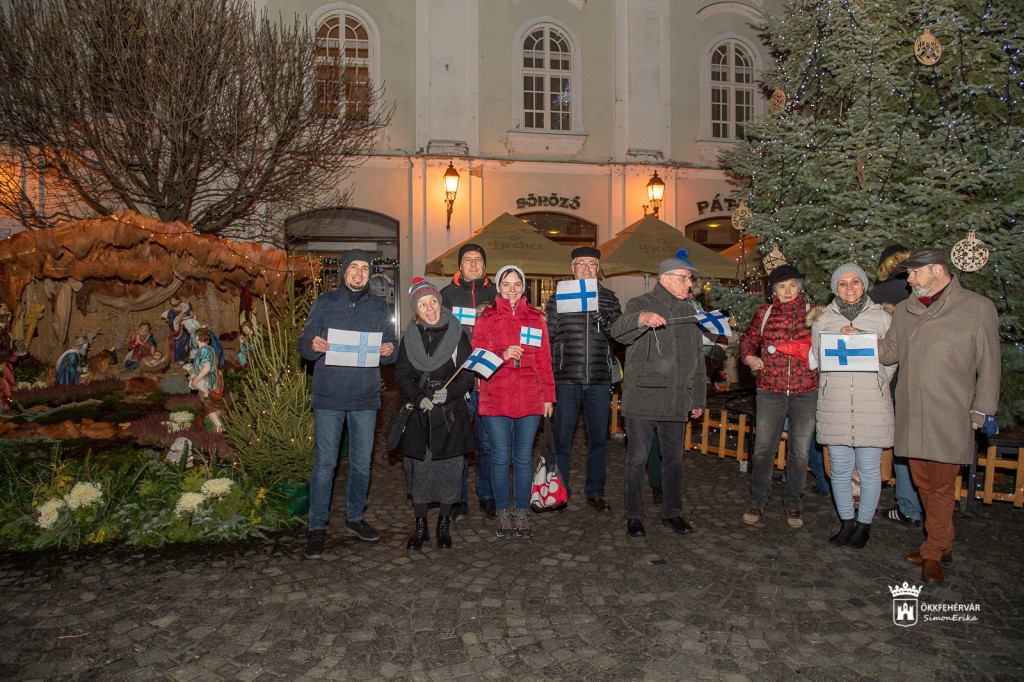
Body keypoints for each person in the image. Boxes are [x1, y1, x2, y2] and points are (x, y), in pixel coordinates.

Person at [878, 246, 1000, 584]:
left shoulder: (976, 307)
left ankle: (932, 551)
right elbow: (891, 352)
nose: (910, 279)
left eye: (915, 272)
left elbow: (989, 364)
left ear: (936, 269)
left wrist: (982, 410)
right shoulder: (906, 309)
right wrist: (860, 342)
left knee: (942, 486)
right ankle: (943, 543)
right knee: (923, 483)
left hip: (951, 412)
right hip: (912, 412)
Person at [298, 249, 398, 559]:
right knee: (325, 464)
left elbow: (393, 347)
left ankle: (355, 518)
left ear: (369, 274)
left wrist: (389, 349)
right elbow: (304, 343)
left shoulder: (379, 306)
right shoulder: (324, 302)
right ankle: (317, 527)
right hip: (329, 396)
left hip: (365, 398)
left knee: (361, 464)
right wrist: (312, 345)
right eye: (353, 267)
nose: (359, 273)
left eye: (364, 268)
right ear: (343, 271)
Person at [611, 251, 706, 539]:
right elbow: (618, 332)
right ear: (665, 279)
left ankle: (672, 512)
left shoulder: (689, 311)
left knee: (674, 460)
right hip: (643, 398)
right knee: (637, 460)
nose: (689, 284)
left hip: (676, 399)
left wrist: (697, 398)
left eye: (690, 279)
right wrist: (641, 319)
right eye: (684, 278)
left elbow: (697, 359)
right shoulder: (641, 303)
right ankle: (634, 516)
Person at [811, 263, 894, 549]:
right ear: (835, 288)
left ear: (864, 285)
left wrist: (878, 382)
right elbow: (819, 358)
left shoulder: (882, 317)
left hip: (872, 404)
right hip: (834, 403)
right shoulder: (823, 319)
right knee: (840, 469)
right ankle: (846, 522)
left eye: (855, 282)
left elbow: (891, 360)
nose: (849, 288)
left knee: (870, 469)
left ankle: (863, 526)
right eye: (843, 283)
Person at [472, 264, 554, 539]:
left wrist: (548, 397)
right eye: (506, 284)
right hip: (496, 396)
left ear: (523, 287)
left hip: (530, 397)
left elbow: (545, 361)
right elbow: (477, 358)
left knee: (522, 458)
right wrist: (503, 353)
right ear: (498, 287)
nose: (512, 289)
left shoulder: (536, 318)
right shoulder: (487, 318)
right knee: (499, 458)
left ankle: (521, 511)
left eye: (517, 284)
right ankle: (502, 511)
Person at [394, 279, 475, 551]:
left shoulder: (457, 333)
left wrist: (449, 393)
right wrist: (418, 396)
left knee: (449, 473)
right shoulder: (410, 337)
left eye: (432, 301)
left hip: (449, 416)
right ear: (416, 310)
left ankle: (443, 523)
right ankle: (420, 526)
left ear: (439, 302)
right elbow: (401, 375)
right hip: (419, 415)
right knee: (419, 472)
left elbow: (467, 375)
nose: (429, 308)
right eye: (422, 304)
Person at [739, 263, 818, 529]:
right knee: (763, 450)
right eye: (782, 286)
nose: (788, 290)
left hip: (806, 391)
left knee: (799, 453)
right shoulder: (764, 314)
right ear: (774, 290)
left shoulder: (814, 313)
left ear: (800, 287)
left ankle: (793, 504)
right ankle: (757, 502)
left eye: (793, 285)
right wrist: (748, 357)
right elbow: (747, 340)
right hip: (770, 390)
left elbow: (825, 344)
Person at [544, 246, 622, 512]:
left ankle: (596, 491)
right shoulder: (558, 297)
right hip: (566, 377)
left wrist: (606, 320)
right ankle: (560, 490)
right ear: (572, 268)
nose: (587, 268)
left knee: (598, 439)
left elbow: (620, 335)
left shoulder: (609, 298)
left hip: (599, 377)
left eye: (592, 264)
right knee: (562, 438)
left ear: (598, 269)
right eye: (581, 263)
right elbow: (548, 337)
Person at [440, 243, 498, 521]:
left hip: (489, 381)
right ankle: (458, 499)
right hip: (459, 381)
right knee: (459, 445)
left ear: (484, 266)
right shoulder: (446, 295)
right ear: (460, 266)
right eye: (467, 259)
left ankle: (486, 495)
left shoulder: (498, 292)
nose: (473, 263)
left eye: (478, 259)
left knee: (488, 445)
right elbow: (437, 332)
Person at [869, 245, 923, 528]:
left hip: (893, 377)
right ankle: (924, 503)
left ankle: (909, 506)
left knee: (901, 443)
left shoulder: (880, 294)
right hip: (922, 377)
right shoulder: (922, 292)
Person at [186, 328, 225, 432]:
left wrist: (196, 380)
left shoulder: (204, 350)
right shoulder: (209, 349)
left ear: (197, 338)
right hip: (211, 380)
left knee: (206, 402)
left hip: (206, 382)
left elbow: (207, 367)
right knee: (210, 403)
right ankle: (218, 426)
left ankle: (219, 426)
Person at [162, 296, 193, 362]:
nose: (173, 302)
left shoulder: (186, 308)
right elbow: (171, 325)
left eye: (174, 300)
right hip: (178, 330)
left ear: (178, 300)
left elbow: (192, 316)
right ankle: (179, 359)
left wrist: (185, 316)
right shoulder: (171, 312)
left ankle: (190, 357)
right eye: (171, 301)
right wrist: (177, 320)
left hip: (190, 327)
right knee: (180, 340)